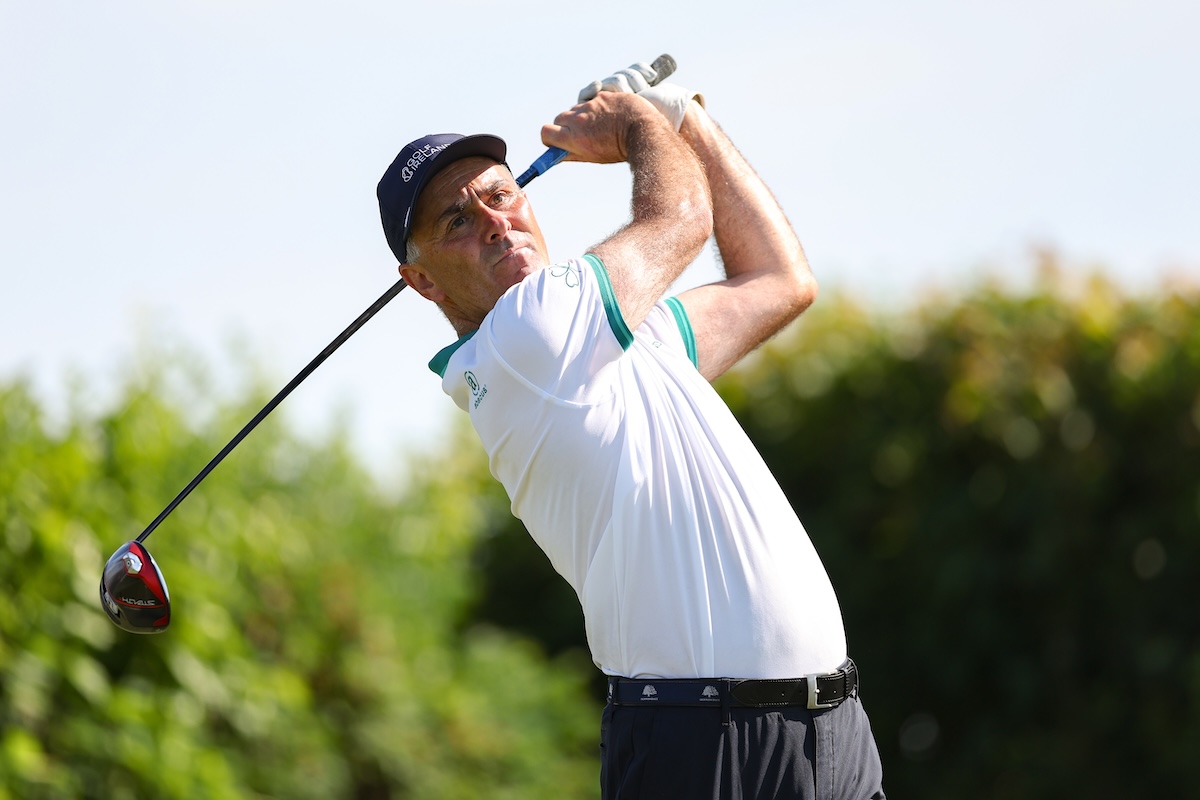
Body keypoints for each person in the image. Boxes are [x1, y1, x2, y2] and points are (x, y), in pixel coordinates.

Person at [376, 64, 886, 800]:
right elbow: (683, 218)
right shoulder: (526, 338)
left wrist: (685, 119)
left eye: (501, 194)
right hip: (702, 742)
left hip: (830, 729)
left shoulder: (603, 344)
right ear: (421, 281)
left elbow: (779, 279)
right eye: (457, 221)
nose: (493, 221)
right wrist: (636, 122)